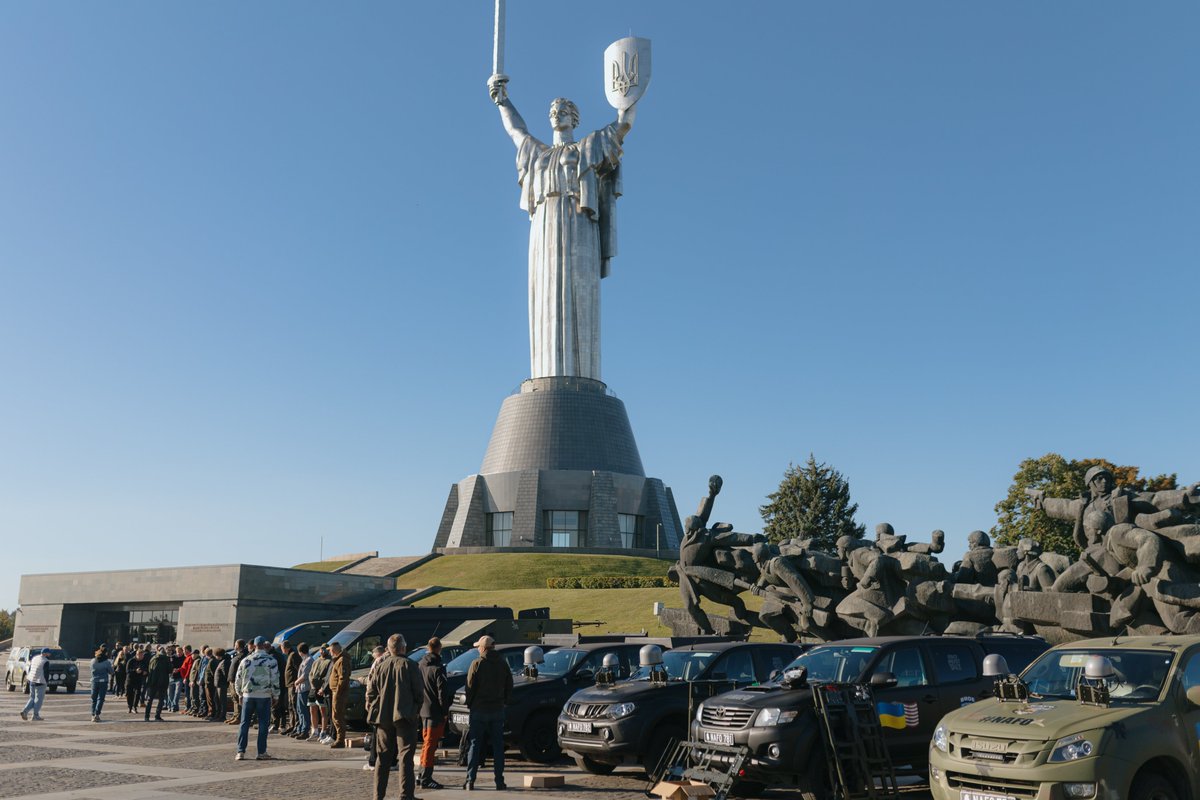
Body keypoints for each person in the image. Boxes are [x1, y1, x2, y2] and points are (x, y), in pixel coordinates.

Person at [487, 74, 635, 381]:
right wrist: (503, 101)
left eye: (563, 112)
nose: (557, 115)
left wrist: (627, 102)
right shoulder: (538, 153)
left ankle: (580, 376)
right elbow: (516, 130)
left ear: (574, 119)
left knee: (578, 293)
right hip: (543, 223)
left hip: (578, 219)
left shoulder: (586, 148)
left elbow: (621, 128)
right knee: (544, 296)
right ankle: (545, 376)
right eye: (553, 113)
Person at [366, 634, 423, 800]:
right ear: (403, 648)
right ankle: (406, 795)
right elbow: (419, 692)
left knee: (382, 758)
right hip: (405, 716)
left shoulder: (381, 666)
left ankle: (378, 795)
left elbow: (371, 691)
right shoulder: (410, 665)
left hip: (383, 717)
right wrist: (415, 709)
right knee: (405, 757)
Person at [463, 635, 513, 791]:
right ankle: (499, 781)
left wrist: (471, 704)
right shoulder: (502, 663)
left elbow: (469, 687)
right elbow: (509, 685)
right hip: (497, 709)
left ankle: (470, 780)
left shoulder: (477, 663)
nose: (478, 648)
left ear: (483, 648)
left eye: (479, 646)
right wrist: (504, 701)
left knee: (475, 745)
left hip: (479, 709)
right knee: (498, 746)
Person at [234, 636, 280, 762]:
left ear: (254, 646)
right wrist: (276, 695)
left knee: (244, 724)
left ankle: (240, 751)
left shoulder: (246, 660)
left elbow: (238, 678)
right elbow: (275, 679)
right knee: (263, 724)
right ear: (265, 645)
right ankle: (261, 751)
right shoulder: (271, 660)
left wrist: (239, 694)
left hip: (248, 695)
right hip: (264, 695)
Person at [418, 637, 453, 789]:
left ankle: (421, 774)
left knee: (426, 744)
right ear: (439, 648)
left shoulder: (420, 665)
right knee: (431, 745)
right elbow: (442, 693)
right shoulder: (438, 668)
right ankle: (426, 777)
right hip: (435, 712)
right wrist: (445, 711)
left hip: (423, 710)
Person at [363, 645, 388, 770]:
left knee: (377, 732)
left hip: (379, 702)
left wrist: (368, 700)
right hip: (392, 703)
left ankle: (373, 761)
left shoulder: (380, 661)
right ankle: (391, 761)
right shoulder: (403, 661)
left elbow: (371, 682)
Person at [327, 641, 350, 748]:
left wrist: (339, 692)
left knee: (338, 715)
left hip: (339, 692)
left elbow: (343, 678)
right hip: (336, 691)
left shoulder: (342, 660)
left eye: (331, 650)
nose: (330, 652)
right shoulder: (338, 660)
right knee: (335, 715)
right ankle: (338, 738)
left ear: (335, 650)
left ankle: (340, 739)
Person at [20, 647, 52, 721]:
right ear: (45, 653)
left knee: (32, 697)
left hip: (31, 680)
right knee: (38, 699)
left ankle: (24, 711)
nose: (49, 654)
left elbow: (30, 668)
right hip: (40, 681)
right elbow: (46, 673)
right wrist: (46, 682)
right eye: (48, 653)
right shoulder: (45, 661)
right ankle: (35, 715)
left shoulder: (35, 658)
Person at [309, 643, 331, 742]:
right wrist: (312, 684)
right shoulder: (316, 661)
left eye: (325, 649)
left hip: (322, 690)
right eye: (321, 649)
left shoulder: (329, 661)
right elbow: (310, 674)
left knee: (323, 711)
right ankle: (315, 731)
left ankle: (323, 731)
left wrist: (322, 687)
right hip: (313, 689)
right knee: (312, 709)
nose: (322, 651)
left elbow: (327, 677)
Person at [144, 646, 171, 721]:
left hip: (153, 681)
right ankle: (157, 715)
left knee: (150, 700)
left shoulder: (152, 659)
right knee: (161, 700)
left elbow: (149, 669)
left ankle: (146, 716)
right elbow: (170, 670)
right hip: (163, 682)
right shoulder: (166, 659)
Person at [292, 643, 313, 740]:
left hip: (304, 688)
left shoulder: (309, 660)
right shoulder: (304, 660)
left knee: (304, 710)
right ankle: (300, 729)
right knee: (299, 710)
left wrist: (296, 682)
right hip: (300, 688)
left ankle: (305, 730)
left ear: (300, 652)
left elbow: (305, 675)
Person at [282, 640, 301, 734]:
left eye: (282, 648)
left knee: (294, 706)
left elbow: (299, 669)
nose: (282, 650)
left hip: (293, 684)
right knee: (290, 706)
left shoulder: (293, 655)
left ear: (285, 647)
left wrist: (296, 682)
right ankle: (292, 725)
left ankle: (296, 726)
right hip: (289, 685)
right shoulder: (290, 655)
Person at [226, 640, 248, 725]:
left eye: (235, 644)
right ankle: (235, 716)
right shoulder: (237, 654)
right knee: (234, 699)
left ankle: (238, 717)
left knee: (237, 699)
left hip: (236, 680)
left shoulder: (243, 655)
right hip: (232, 680)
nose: (234, 646)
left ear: (239, 645)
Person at [90, 647, 113, 722]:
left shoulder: (92, 661)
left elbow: (91, 670)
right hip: (103, 682)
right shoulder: (106, 662)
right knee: (100, 698)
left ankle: (93, 714)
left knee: (94, 699)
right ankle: (97, 714)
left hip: (94, 681)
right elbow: (111, 672)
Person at [125, 647, 149, 713]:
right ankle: (129, 706)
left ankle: (134, 706)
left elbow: (147, 669)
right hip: (130, 679)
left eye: (142, 655)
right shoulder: (131, 661)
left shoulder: (144, 661)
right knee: (129, 694)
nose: (142, 657)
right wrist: (135, 671)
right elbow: (127, 671)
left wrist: (145, 672)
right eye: (140, 655)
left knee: (137, 693)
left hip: (139, 679)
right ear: (137, 654)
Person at [212, 647, 231, 722]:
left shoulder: (224, 662)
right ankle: (218, 714)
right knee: (216, 699)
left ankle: (222, 715)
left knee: (222, 700)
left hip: (221, 684)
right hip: (218, 684)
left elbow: (225, 673)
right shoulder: (222, 661)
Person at [176, 645, 194, 713]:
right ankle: (187, 707)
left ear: (186, 650)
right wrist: (179, 669)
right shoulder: (187, 657)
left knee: (187, 694)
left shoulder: (190, 658)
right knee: (186, 694)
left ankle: (188, 708)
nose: (183, 651)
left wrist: (186, 677)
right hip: (185, 677)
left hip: (187, 678)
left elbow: (189, 669)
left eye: (183, 650)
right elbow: (184, 667)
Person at [167, 645, 185, 712]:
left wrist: (179, 669)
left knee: (177, 693)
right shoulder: (172, 657)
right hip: (171, 677)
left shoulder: (184, 658)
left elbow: (184, 667)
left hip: (179, 677)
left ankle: (174, 706)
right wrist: (172, 669)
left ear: (182, 652)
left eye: (180, 652)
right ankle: (171, 706)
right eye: (177, 652)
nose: (178, 653)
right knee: (170, 693)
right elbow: (169, 665)